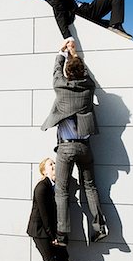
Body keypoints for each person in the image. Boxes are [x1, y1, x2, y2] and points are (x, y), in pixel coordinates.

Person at [41, 40, 108, 247]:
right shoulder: (88, 89)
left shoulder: (61, 87)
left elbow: (56, 72)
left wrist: (61, 52)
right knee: (90, 186)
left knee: (61, 190)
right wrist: (74, 53)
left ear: (68, 74)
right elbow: (87, 77)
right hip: (85, 147)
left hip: (66, 147)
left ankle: (62, 235)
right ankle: (99, 228)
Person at [27, 157, 69, 261]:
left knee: (63, 255)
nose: (54, 165)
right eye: (50, 164)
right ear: (44, 171)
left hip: (49, 230)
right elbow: (44, 216)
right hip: (39, 231)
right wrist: (53, 237)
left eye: (54, 164)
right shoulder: (42, 187)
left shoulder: (53, 186)